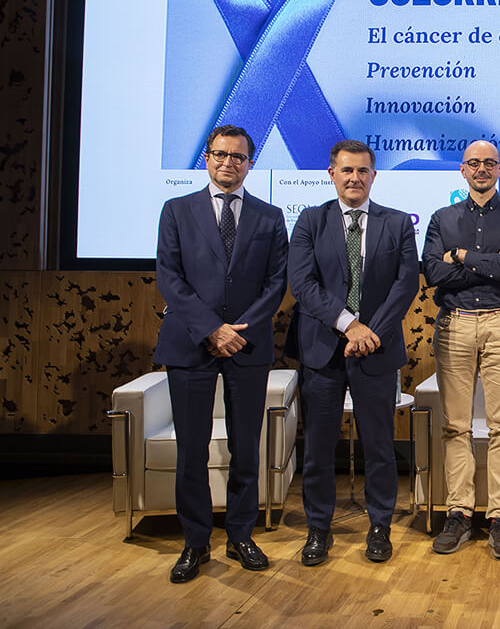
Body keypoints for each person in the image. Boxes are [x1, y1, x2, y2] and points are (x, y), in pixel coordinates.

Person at [154, 124, 288, 584]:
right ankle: (195, 543)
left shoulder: (271, 217)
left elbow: (276, 283)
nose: (229, 163)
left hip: (248, 345)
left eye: (238, 156)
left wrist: (236, 331)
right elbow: (170, 278)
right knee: (191, 448)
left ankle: (240, 535)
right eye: (220, 155)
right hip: (191, 344)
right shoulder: (176, 210)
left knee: (245, 446)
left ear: (250, 162)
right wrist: (211, 329)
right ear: (206, 158)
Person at [288, 139, 419, 566]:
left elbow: (405, 285)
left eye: (363, 171)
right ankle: (318, 527)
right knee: (319, 447)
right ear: (332, 174)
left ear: (374, 175)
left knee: (380, 446)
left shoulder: (398, 223)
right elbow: (303, 285)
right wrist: (350, 326)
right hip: (322, 351)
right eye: (347, 171)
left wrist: (370, 333)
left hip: (376, 351)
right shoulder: (310, 221)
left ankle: (380, 525)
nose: (355, 178)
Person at [422, 140, 500, 560]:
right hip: (454, 325)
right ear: (462, 170)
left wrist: (463, 256)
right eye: (474, 163)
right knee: (456, 425)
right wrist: (490, 261)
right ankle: (459, 514)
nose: (482, 169)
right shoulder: (441, 218)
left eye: (489, 163)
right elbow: (434, 273)